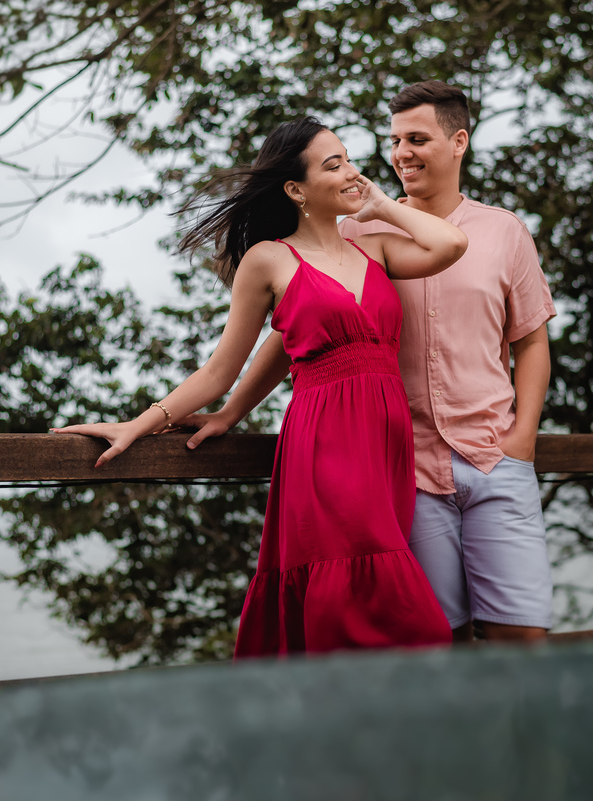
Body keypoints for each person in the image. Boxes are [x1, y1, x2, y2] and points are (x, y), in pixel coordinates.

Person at [52, 116, 467, 657]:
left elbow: (452, 244)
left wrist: (383, 205)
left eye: (348, 159)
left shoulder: (377, 250)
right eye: (333, 164)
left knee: (372, 607)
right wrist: (144, 422)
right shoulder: (269, 259)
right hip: (326, 446)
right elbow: (218, 371)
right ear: (296, 190)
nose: (352, 173)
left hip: (385, 446)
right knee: (402, 619)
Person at [184, 82, 556, 644]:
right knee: (435, 637)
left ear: (459, 142)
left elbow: (531, 340)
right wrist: (231, 411)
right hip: (405, 470)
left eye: (417, 138)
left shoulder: (505, 232)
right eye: (395, 139)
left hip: (492, 457)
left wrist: (522, 436)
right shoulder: (352, 233)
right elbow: (295, 337)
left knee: (521, 634)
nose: (401, 152)